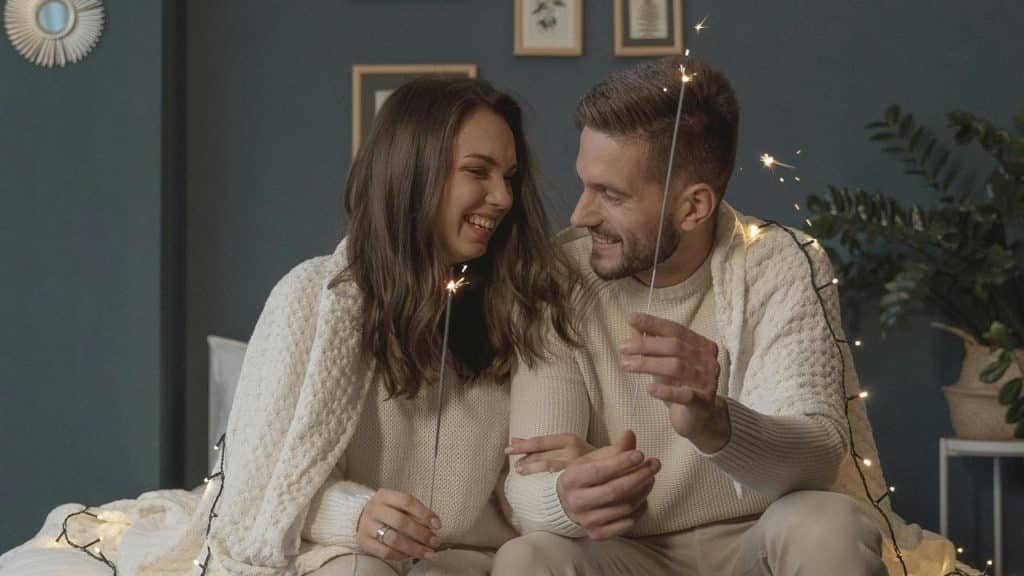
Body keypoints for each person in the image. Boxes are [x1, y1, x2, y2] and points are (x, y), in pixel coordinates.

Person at [0, 76, 579, 576]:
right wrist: (356, 514)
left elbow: (524, 491)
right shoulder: (315, 297)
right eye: (478, 172)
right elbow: (254, 492)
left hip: (473, 561)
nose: (502, 197)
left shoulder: (523, 305)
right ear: (413, 175)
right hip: (335, 553)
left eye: (510, 176)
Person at [496, 56, 953, 576]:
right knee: (527, 557)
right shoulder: (557, 277)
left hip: (756, 541)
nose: (581, 214)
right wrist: (564, 497)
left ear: (694, 207)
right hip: (625, 552)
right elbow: (525, 483)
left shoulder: (779, 261)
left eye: (611, 194)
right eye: (585, 184)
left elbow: (818, 457)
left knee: (827, 523)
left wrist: (715, 422)